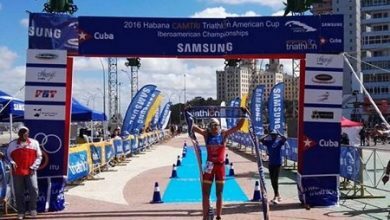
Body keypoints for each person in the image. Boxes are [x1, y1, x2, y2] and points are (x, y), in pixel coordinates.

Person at [192, 117, 245, 220]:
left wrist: (244, 115)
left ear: (218, 126)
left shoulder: (221, 134)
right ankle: (208, 216)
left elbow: (238, 126)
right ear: (209, 127)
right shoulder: (209, 134)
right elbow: (194, 127)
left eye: (215, 125)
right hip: (213, 166)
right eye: (212, 126)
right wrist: (187, 113)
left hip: (216, 166)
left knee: (217, 193)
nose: (214, 128)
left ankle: (217, 216)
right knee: (207, 193)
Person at [7, 126, 42, 220]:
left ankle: (33, 209)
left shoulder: (34, 143)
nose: (24, 134)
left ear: (28, 133)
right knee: (19, 192)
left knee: (34, 189)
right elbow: (8, 156)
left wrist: (33, 167)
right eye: (22, 132)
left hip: (31, 171)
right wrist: (12, 162)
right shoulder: (12, 144)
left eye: (25, 132)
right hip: (17, 172)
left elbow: (39, 157)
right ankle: (21, 212)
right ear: (18, 133)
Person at [259, 129, 287, 204]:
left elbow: (285, 138)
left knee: (275, 180)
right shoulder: (268, 142)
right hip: (271, 163)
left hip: (278, 163)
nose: (273, 136)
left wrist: (279, 134)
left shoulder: (279, 142)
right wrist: (267, 134)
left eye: (274, 135)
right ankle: (278, 195)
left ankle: (275, 196)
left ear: (276, 136)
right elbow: (260, 139)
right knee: (272, 180)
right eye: (272, 135)